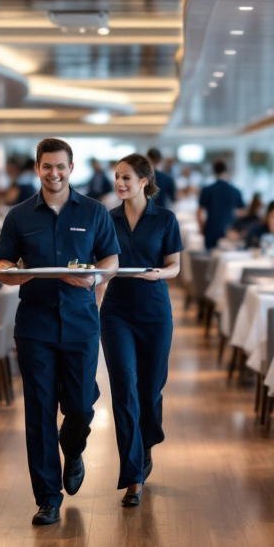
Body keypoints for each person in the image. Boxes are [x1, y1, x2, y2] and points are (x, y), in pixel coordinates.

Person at [0, 138, 120, 526]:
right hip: (35, 327)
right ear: (37, 168)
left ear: (71, 167)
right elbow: (2, 267)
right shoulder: (18, 216)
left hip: (82, 323)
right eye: (47, 166)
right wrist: (28, 272)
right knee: (40, 412)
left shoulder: (95, 211)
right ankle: (48, 498)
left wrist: (93, 278)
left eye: (60, 166)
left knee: (81, 407)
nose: (54, 173)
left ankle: (74, 448)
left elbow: (111, 259)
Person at [100, 154, 182, 508]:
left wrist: (159, 274)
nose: (119, 183)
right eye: (117, 177)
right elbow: (99, 262)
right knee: (124, 390)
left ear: (145, 181)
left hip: (154, 310)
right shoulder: (106, 218)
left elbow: (175, 266)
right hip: (116, 311)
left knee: (149, 391)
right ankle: (133, 475)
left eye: (126, 178)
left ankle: (145, 444)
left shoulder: (165, 218)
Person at [197, 160, 244, 249]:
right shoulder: (235, 191)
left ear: (214, 171)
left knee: (210, 259)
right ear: (227, 171)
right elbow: (241, 213)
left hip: (211, 229)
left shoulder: (207, 189)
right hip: (229, 230)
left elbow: (199, 213)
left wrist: (202, 228)